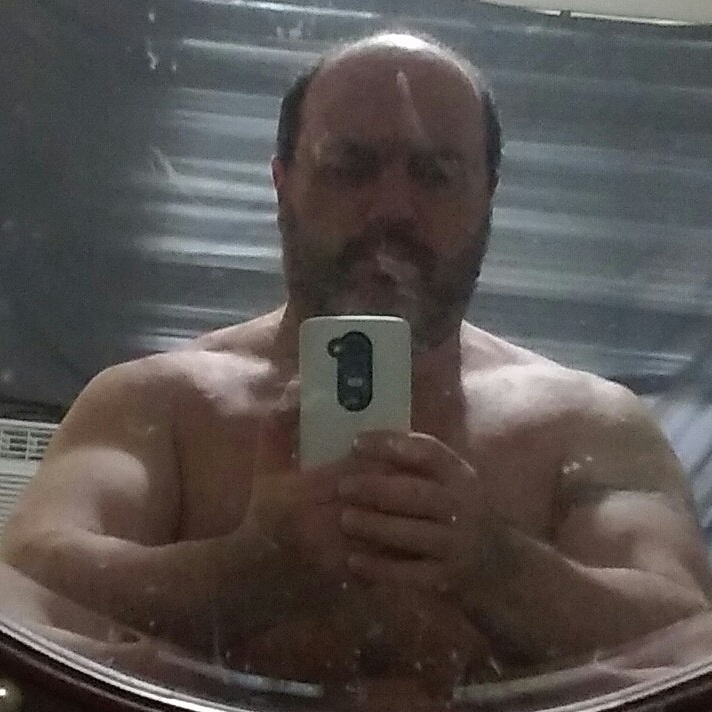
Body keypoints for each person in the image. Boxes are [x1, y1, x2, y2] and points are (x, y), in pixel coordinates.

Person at [3, 30, 711, 695]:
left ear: (487, 195)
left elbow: (688, 643)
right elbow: (19, 595)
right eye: (351, 167)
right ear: (282, 182)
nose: (393, 208)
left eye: (436, 174)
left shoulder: (584, 423)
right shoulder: (161, 404)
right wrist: (246, 572)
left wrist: (495, 565)